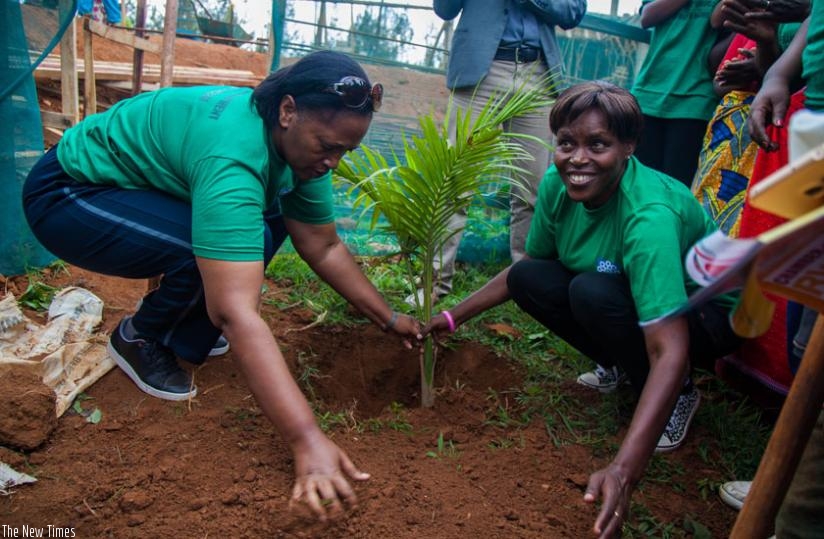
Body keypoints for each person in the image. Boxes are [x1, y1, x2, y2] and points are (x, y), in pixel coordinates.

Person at [22, 50, 422, 521]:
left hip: (137, 189)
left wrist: (389, 318)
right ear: (288, 111)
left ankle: (182, 330)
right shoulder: (234, 153)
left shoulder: (301, 149)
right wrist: (307, 438)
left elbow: (323, 244)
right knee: (212, 252)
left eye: (344, 152)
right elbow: (236, 312)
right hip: (70, 194)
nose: (333, 162)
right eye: (328, 146)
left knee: (265, 224)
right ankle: (141, 337)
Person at [424, 81, 741, 537]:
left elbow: (669, 347)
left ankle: (681, 394)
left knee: (592, 292)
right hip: (625, 295)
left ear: (628, 147)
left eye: (598, 144)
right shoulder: (558, 184)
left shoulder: (648, 216)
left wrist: (623, 472)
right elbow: (529, 267)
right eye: (566, 143)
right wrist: (451, 317)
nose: (577, 159)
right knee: (534, 279)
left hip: (710, 317)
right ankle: (620, 363)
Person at [417, 0, 586, 304]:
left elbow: (573, 12)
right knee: (454, 182)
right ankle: (432, 284)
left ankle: (527, 289)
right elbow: (444, 8)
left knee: (533, 190)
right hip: (481, 70)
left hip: (538, 75)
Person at [747, 5, 823, 534]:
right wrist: (776, 75)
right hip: (814, 128)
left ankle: (800, 506)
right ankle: (788, 474)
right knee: (804, 323)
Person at [631, 0, 721, 188]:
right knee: (639, 185)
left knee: (674, 189)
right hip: (648, 94)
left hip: (695, 100)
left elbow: (718, 21)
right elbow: (647, 17)